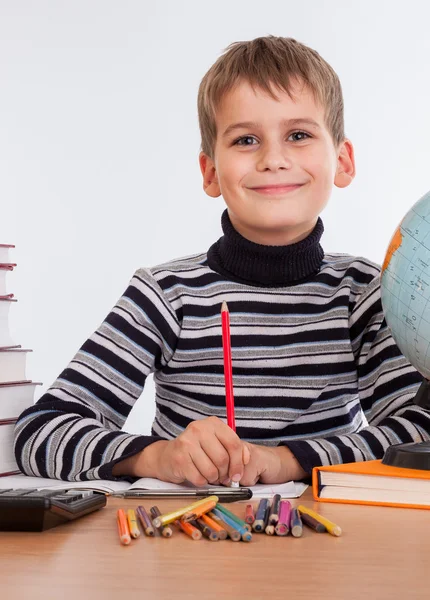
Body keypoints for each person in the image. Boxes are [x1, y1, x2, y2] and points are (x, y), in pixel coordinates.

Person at [13, 35, 430, 486]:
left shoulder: (366, 293)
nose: (273, 159)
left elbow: (419, 431)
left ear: (343, 161)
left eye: (299, 135)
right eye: (246, 139)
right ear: (211, 172)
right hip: (189, 541)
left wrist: (286, 461)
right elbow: (40, 433)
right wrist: (156, 457)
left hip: (324, 544)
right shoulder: (165, 295)